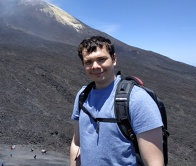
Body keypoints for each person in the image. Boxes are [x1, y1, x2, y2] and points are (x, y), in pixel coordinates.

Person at [70, 36, 164, 166]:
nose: (95, 66)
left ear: (114, 59)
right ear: (83, 65)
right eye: (89, 62)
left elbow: (154, 162)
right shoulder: (82, 96)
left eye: (101, 59)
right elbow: (76, 143)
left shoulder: (137, 99)